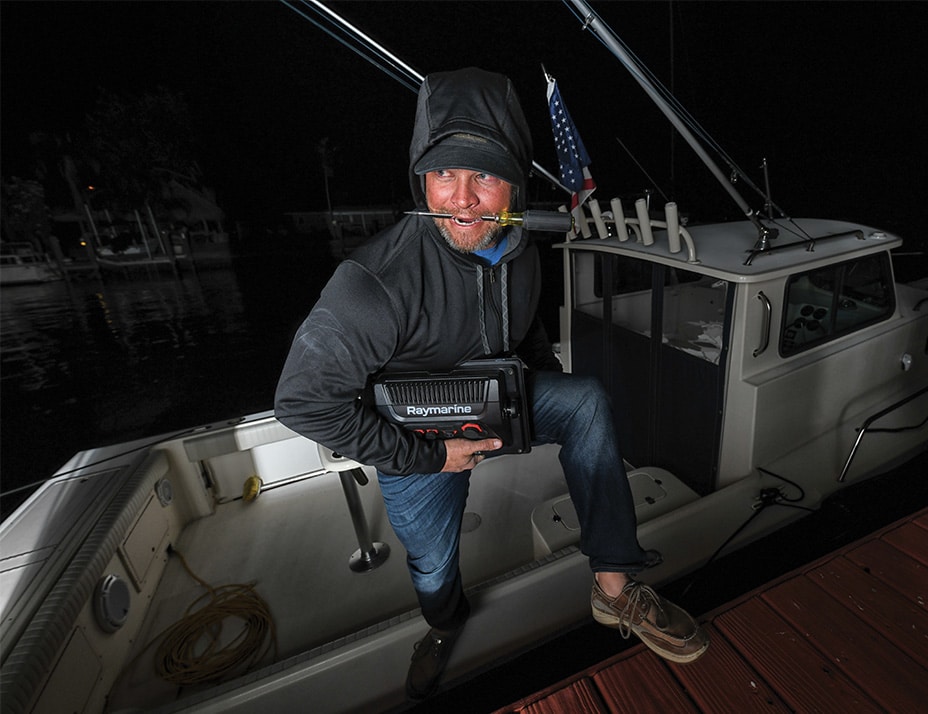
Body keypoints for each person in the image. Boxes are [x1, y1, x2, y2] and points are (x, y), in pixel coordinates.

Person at [274, 66, 707, 701]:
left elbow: (524, 329)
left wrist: (543, 398)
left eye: (484, 173)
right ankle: (445, 625)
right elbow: (301, 401)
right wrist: (429, 455)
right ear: (420, 176)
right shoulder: (372, 285)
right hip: (418, 441)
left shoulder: (521, 245)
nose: (462, 198)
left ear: (517, 181)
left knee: (585, 401)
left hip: (501, 404)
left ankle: (615, 591)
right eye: (444, 172)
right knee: (431, 561)